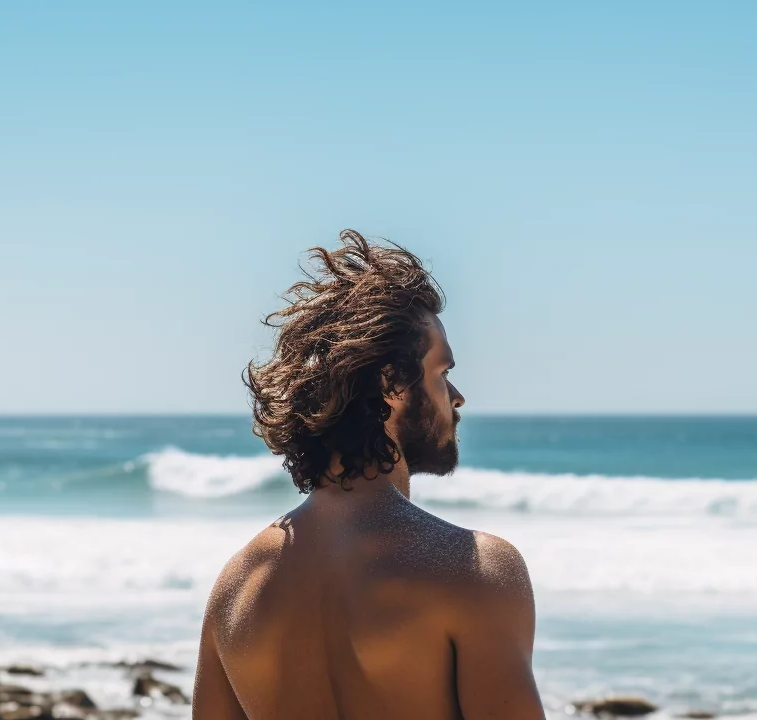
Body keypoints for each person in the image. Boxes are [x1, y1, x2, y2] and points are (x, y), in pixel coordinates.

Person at [193, 230, 545, 720]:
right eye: (441, 373)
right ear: (391, 383)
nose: (457, 396)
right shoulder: (474, 570)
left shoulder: (237, 588)